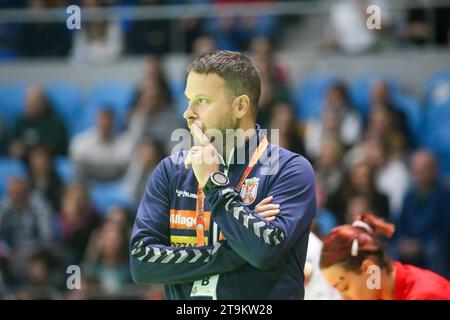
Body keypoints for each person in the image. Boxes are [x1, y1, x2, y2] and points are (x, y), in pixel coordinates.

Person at [130, 51, 316, 300]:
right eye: (188, 100)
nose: (188, 113)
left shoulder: (290, 170)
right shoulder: (171, 170)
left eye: (202, 100)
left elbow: (262, 251)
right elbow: (142, 264)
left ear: (240, 106)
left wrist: (213, 183)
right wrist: (232, 251)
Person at [320, 214, 450, 300]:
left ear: (370, 270)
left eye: (344, 287)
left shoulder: (427, 296)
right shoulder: (381, 292)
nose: (344, 298)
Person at [394, 150, 450, 278]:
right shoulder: (409, 196)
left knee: (434, 250)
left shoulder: (444, 195)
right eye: (415, 170)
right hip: (411, 243)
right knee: (389, 252)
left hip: (432, 244)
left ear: (434, 170)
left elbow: (446, 230)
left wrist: (420, 244)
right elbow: (400, 223)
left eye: (423, 169)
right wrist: (404, 241)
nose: (418, 174)